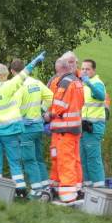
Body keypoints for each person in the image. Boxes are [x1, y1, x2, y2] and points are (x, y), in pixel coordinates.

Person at [0, 53, 45, 195]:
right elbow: (22, 75)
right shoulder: (7, 87)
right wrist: (34, 62)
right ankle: (20, 189)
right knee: (14, 162)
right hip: (9, 131)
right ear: (3, 75)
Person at [10, 59, 53, 198]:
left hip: (26, 128)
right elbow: (51, 97)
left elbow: (14, 108)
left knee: (29, 160)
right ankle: (46, 187)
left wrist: (20, 120)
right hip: (38, 127)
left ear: (12, 71)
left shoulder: (18, 86)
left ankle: (36, 191)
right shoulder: (36, 83)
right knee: (39, 158)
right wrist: (42, 110)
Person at [45, 56, 85, 203]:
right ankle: (74, 188)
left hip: (64, 129)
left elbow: (59, 106)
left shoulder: (65, 82)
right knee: (73, 159)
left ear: (59, 69)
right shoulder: (77, 81)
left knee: (64, 159)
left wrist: (48, 115)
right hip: (73, 128)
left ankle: (67, 194)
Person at [79, 59, 107, 188]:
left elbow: (101, 96)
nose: (84, 71)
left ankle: (99, 188)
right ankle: (87, 187)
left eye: (87, 69)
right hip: (84, 126)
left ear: (93, 71)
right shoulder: (83, 84)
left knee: (93, 159)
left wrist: (89, 84)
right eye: (83, 69)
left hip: (94, 127)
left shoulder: (96, 83)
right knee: (83, 158)